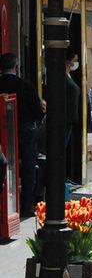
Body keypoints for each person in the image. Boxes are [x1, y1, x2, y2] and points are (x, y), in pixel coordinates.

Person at [0, 53, 43, 217]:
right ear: (16, 68)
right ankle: (27, 205)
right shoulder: (25, 85)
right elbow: (38, 111)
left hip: (3, 132)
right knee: (28, 168)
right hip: (25, 131)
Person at [64, 54, 81, 146]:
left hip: (71, 117)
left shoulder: (69, 75)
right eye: (74, 60)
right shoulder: (62, 77)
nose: (75, 63)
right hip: (66, 117)